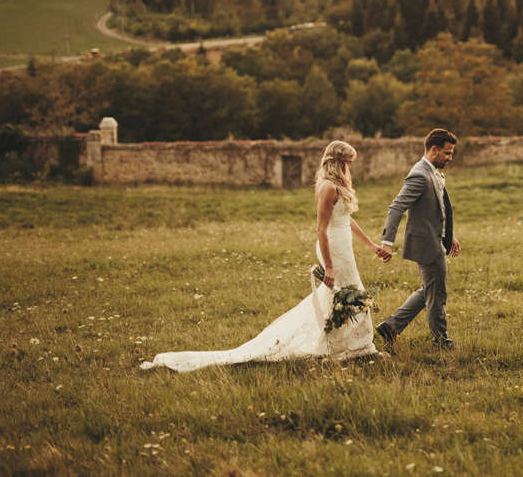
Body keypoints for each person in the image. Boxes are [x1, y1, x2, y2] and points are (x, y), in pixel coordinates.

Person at [141, 141, 388, 372]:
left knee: (345, 295)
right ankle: (356, 349)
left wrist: (371, 245)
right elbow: (321, 229)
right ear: (339, 163)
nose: (350, 168)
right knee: (349, 294)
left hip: (343, 247)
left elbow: (345, 219)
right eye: (349, 163)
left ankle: (347, 346)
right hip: (333, 249)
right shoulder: (328, 187)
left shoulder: (337, 187)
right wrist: (330, 268)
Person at [375, 128, 461, 350]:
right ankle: (441, 342)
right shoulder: (420, 175)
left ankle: (391, 327)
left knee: (429, 290)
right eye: (448, 153)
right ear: (434, 149)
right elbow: (396, 207)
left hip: (435, 238)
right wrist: (387, 241)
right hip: (427, 244)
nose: (450, 158)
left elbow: (440, 208)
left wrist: (449, 235)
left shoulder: (433, 171)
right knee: (437, 295)